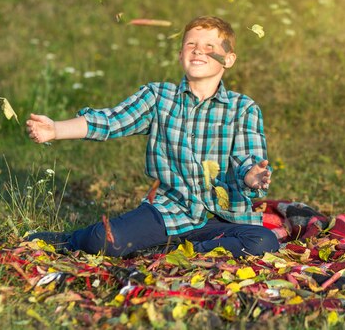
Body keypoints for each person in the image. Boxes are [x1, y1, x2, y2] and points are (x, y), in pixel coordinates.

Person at [25, 16, 279, 258]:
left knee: (264, 241)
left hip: (223, 218)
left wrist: (251, 176)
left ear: (229, 59)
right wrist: (56, 129)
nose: (199, 51)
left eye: (209, 46)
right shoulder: (158, 97)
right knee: (102, 241)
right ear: (181, 55)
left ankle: (177, 252)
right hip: (169, 212)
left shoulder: (243, 108)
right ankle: (69, 240)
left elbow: (248, 158)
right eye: (191, 44)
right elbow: (111, 121)